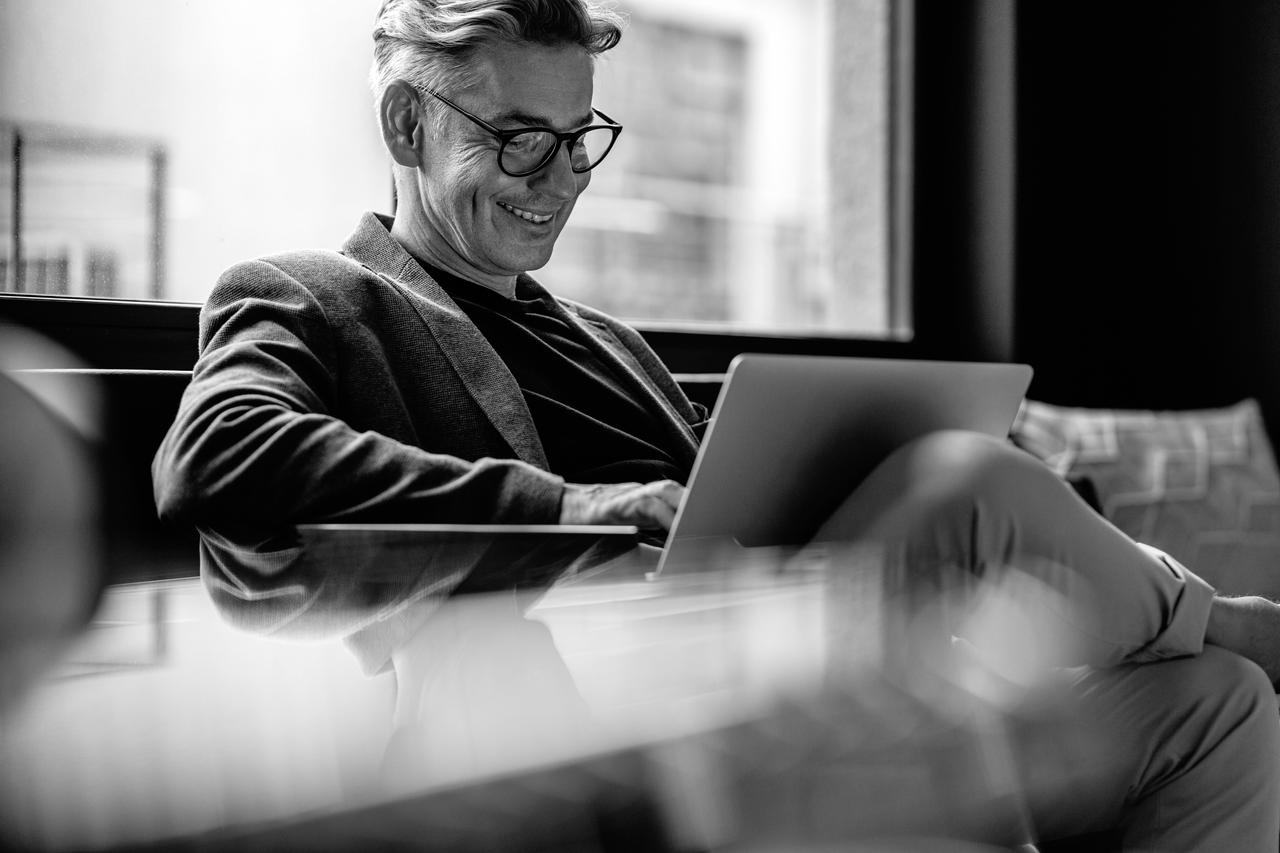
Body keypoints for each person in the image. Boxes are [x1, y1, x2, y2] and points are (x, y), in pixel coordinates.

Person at [152, 0, 1280, 848]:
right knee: (959, 481)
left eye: (577, 135)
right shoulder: (306, 293)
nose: (559, 178)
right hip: (587, 710)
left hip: (777, 653)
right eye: (516, 138)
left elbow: (736, 500)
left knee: (1212, 709)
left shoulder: (611, 342)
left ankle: (1190, 643)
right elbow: (219, 455)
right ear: (405, 120)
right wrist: (579, 507)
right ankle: (1216, 614)